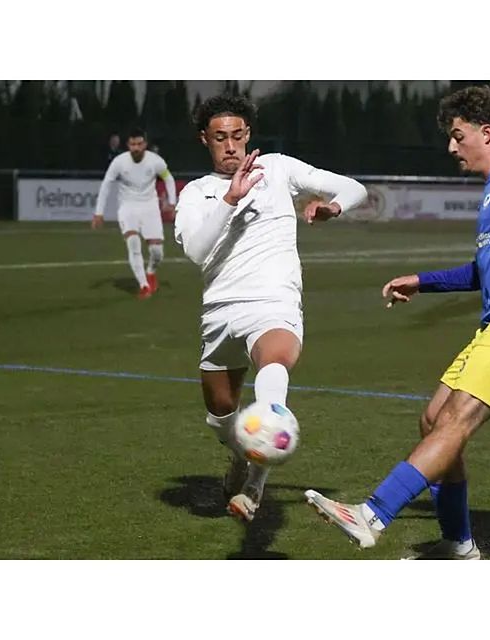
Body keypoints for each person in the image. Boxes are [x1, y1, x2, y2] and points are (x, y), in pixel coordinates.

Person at [303, 85, 490, 558]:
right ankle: (459, 546)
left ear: (486, 132)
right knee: (434, 418)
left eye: (458, 137)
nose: (451, 148)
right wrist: (424, 280)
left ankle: (372, 514)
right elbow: (484, 271)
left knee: (454, 419)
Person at [174, 94, 367, 523]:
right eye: (220, 138)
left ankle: (255, 486)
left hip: (273, 300)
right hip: (220, 312)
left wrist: (334, 207)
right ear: (204, 139)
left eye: (238, 136)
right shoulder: (196, 193)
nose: (231, 146)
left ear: (248, 136)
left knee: (274, 365)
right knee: (220, 417)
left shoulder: (277, 168)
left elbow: (352, 187)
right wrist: (230, 201)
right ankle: (241, 456)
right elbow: (197, 253)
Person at [92, 128, 176, 299]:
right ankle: (144, 285)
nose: (136, 148)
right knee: (133, 243)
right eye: (132, 144)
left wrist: (172, 202)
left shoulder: (155, 161)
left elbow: (168, 177)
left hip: (150, 207)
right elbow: (106, 184)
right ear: (128, 145)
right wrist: (98, 213)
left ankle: (151, 272)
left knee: (157, 252)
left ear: (145, 144)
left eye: (139, 144)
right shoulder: (119, 162)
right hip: (127, 207)